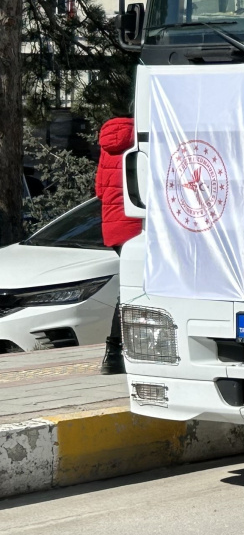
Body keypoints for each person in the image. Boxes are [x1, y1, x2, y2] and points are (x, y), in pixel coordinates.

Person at [95, 116, 142, 374]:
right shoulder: (144, 136)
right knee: (131, 289)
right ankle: (114, 354)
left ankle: (118, 353)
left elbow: (100, 190)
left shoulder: (106, 146)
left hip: (112, 226)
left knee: (130, 286)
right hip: (137, 225)